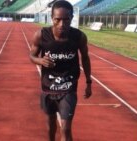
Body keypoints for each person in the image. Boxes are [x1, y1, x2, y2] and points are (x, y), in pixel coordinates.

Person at [29, 1, 92, 141]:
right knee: (51, 128)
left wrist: (89, 82)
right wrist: (40, 61)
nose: (62, 24)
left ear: (72, 17)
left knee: (66, 129)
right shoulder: (41, 35)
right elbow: (31, 55)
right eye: (57, 19)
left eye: (66, 19)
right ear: (52, 18)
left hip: (68, 88)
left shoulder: (79, 37)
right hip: (48, 88)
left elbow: (86, 59)